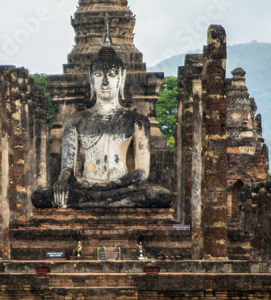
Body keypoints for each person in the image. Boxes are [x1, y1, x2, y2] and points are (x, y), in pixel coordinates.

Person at [32, 44, 172, 209]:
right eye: (99, 75)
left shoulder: (137, 120)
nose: (105, 82)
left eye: (112, 75)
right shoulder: (74, 121)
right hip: (86, 187)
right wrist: (62, 181)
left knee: (160, 196)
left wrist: (111, 185)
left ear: (121, 77)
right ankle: (108, 204)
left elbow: (142, 171)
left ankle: (97, 203)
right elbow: (67, 167)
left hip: (122, 188)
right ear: (91, 79)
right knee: (40, 197)